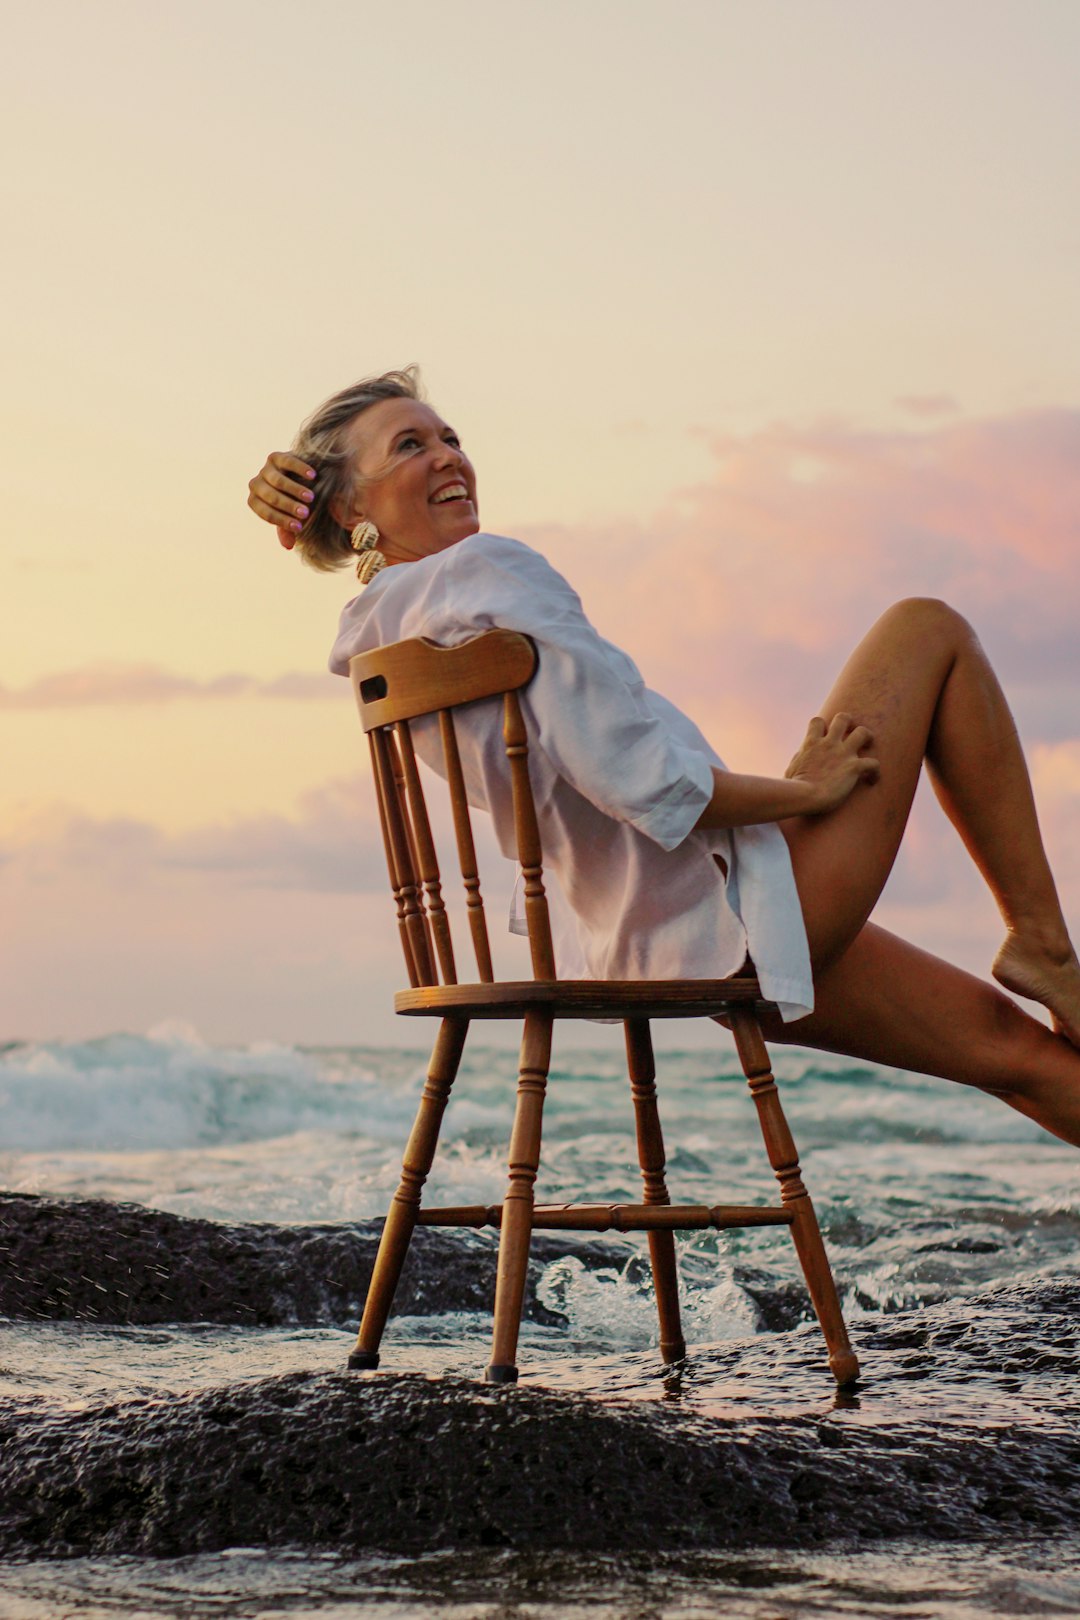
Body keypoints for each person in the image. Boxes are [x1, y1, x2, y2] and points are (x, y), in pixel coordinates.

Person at [248, 368, 1080, 1149]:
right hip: (737, 911)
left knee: (1017, 1057)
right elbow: (645, 783)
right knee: (927, 626)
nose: (448, 454)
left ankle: (1041, 955)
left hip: (663, 938)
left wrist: (293, 490)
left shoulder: (381, 632)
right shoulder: (487, 571)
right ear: (350, 503)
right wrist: (801, 793)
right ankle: (1042, 942)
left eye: (449, 436)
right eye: (409, 445)